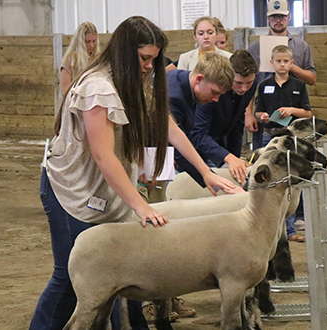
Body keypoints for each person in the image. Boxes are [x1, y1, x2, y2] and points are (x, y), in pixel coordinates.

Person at [29, 16, 236, 330]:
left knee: (111, 278)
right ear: (126, 52)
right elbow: (103, 155)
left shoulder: (134, 81)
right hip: (69, 190)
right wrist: (140, 206)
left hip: (102, 192)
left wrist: (205, 172)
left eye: (152, 59)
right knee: (68, 279)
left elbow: (168, 126)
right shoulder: (97, 87)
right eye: (144, 58)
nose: (149, 66)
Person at [255, 45, 311, 242]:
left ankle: (292, 225)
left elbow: (307, 113)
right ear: (272, 63)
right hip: (269, 136)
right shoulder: (263, 86)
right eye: (278, 61)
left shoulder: (298, 86)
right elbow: (258, 111)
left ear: (292, 63)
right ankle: (271, 227)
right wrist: (261, 116)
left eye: (286, 61)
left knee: (291, 179)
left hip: (290, 138)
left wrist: (291, 110)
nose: (282, 64)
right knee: (270, 178)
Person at [246, 0, 317, 149]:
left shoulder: (301, 46)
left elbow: (312, 78)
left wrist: (291, 67)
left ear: (289, 17)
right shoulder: (255, 48)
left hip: (294, 117)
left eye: (282, 16)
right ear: (267, 18)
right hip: (265, 114)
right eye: (274, 17)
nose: (278, 21)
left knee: (295, 159)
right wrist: (248, 114)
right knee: (264, 157)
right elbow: (249, 83)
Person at [168, 52, 238, 188]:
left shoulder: (185, 81)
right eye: (214, 92)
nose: (216, 99)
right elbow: (178, 148)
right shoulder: (173, 97)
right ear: (199, 79)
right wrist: (214, 181)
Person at [189, 49, 258, 184]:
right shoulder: (213, 90)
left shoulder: (252, 85)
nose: (244, 88)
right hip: (197, 150)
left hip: (222, 146)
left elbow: (237, 123)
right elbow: (198, 132)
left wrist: (235, 159)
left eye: (248, 83)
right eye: (238, 83)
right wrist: (228, 157)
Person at [60, 21, 99, 95]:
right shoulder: (70, 60)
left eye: (94, 41)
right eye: (87, 41)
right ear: (80, 41)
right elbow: (64, 90)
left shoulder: (98, 58)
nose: (91, 45)